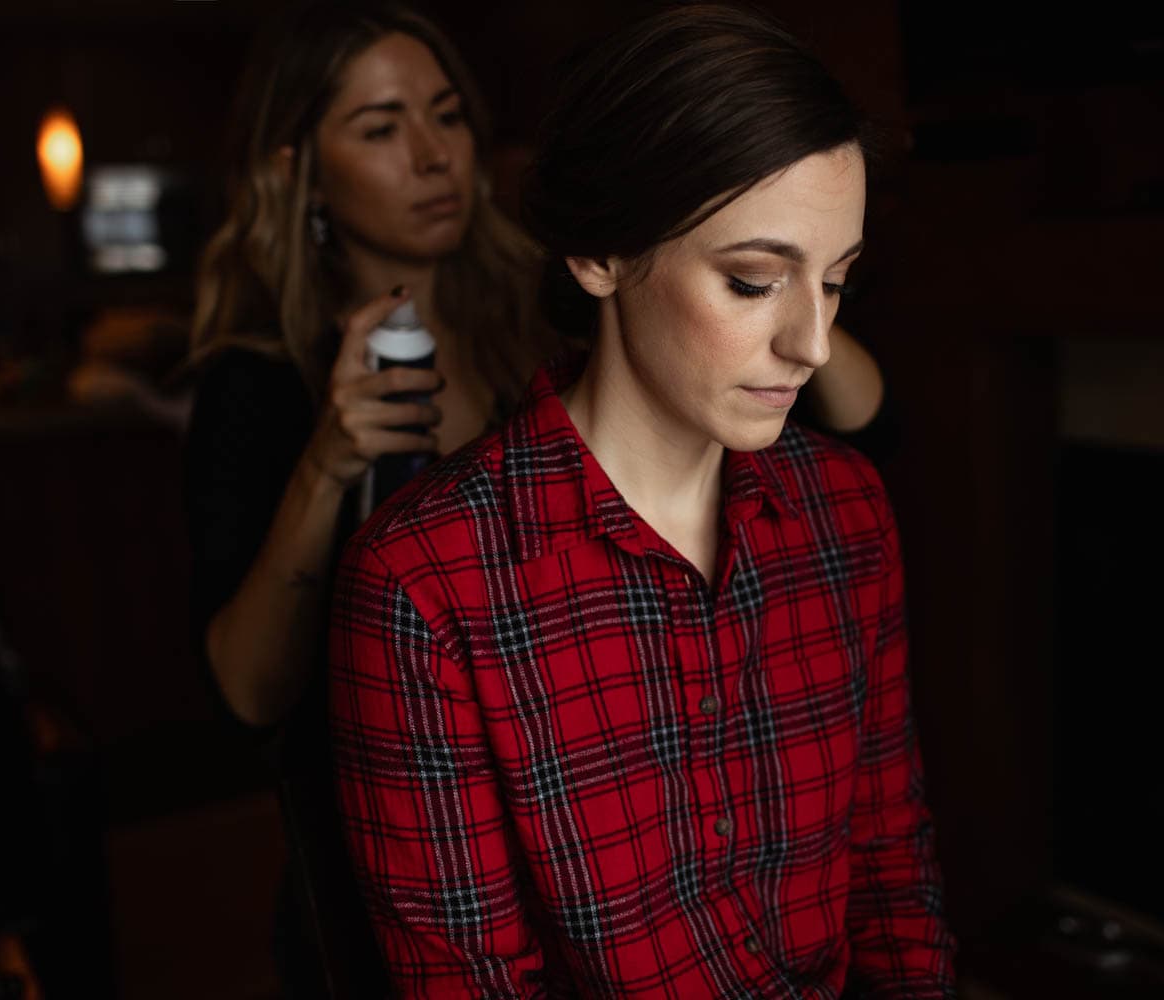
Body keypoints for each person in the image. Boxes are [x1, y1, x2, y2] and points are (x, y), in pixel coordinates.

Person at [185, 3, 888, 989]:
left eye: (447, 116)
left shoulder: (548, 305)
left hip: (613, 809)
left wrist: (771, 250)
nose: (434, 157)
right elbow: (249, 689)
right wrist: (327, 464)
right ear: (293, 170)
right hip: (400, 834)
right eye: (383, 129)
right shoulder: (260, 385)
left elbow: (848, 398)